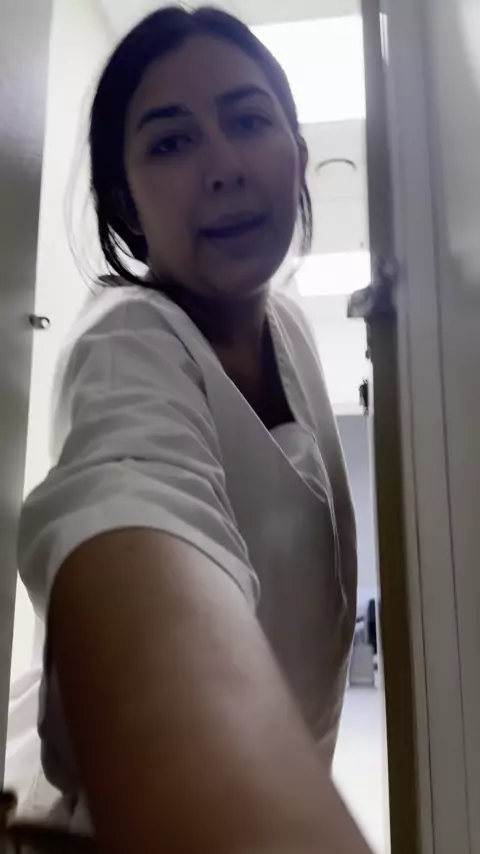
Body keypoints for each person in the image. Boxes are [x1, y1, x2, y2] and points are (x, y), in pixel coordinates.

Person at [18, 7, 370, 853]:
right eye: (171, 142)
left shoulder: (289, 328)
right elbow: (134, 506)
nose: (224, 168)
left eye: (248, 121)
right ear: (126, 202)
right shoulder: (128, 346)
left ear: (298, 155)